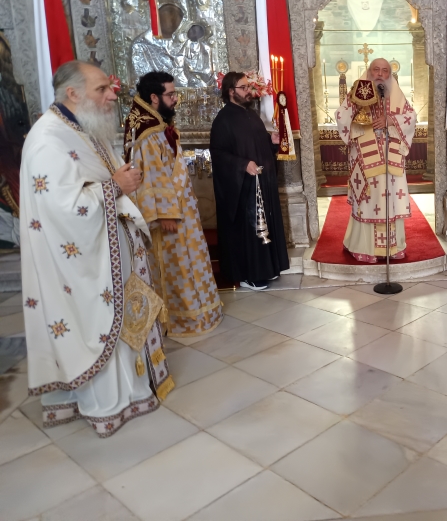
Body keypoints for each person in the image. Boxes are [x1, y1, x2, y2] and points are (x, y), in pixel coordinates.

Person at [20, 61, 173, 437]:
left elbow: (105, 175)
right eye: (101, 89)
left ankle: (133, 391)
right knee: (96, 322)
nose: (112, 95)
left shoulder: (83, 126)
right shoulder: (47, 139)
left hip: (110, 249)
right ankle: (108, 403)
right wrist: (116, 186)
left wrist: (123, 180)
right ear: (73, 94)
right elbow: (61, 209)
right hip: (82, 262)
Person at [123, 71, 222, 336]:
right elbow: (151, 177)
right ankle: (180, 318)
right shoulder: (147, 134)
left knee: (189, 260)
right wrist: (166, 213)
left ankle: (198, 312)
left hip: (180, 208)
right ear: (154, 98)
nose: (176, 99)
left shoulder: (158, 125)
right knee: (176, 265)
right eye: (171, 94)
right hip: (169, 216)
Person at [210, 71, 289, 290]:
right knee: (249, 230)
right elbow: (218, 154)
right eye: (243, 88)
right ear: (231, 92)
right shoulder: (223, 120)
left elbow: (257, 145)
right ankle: (248, 275)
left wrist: (272, 141)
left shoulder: (251, 115)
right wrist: (243, 164)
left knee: (263, 227)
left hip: (261, 183)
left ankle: (266, 269)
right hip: (242, 188)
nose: (248, 92)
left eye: (248, 87)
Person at [334, 58, 418, 262]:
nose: (380, 74)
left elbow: (411, 117)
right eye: (376, 70)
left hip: (391, 158)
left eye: (385, 70)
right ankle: (361, 247)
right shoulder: (358, 91)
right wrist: (360, 119)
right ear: (369, 71)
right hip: (365, 157)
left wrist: (390, 120)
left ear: (389, 74)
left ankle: (393, 247)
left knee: (391, 202)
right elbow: (341, 116)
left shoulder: (396, 93)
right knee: (367, 202)